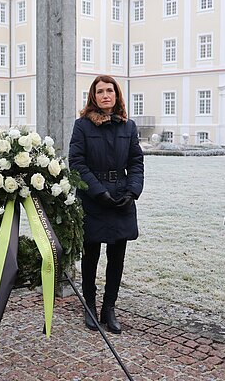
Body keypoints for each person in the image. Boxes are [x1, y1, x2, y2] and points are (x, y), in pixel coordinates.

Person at [69, 75, 144, 334]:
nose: (105, 95)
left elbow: (136, 162)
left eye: (109, 91)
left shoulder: (128, 126)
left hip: (121, 197)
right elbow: (77, 163)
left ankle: (109, 307)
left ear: (116, 94)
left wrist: (132, 192)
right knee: (91, 255)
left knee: (117, 257)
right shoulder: (83, 126)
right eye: (99, 91)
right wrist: (98, 192)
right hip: (93, 198)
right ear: (93, 96)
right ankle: (89, 304)